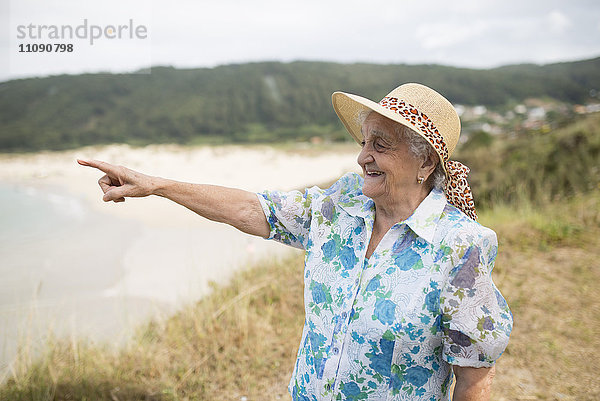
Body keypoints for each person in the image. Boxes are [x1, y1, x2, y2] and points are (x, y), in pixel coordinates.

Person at [78, 83, 512, 400]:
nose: (363, 157)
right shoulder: (339, 207)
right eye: (364, 142)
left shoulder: (461, 245)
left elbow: (474, 377)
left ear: (425, 163)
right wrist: (157, 185)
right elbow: (254, 210)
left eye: (380, 145)